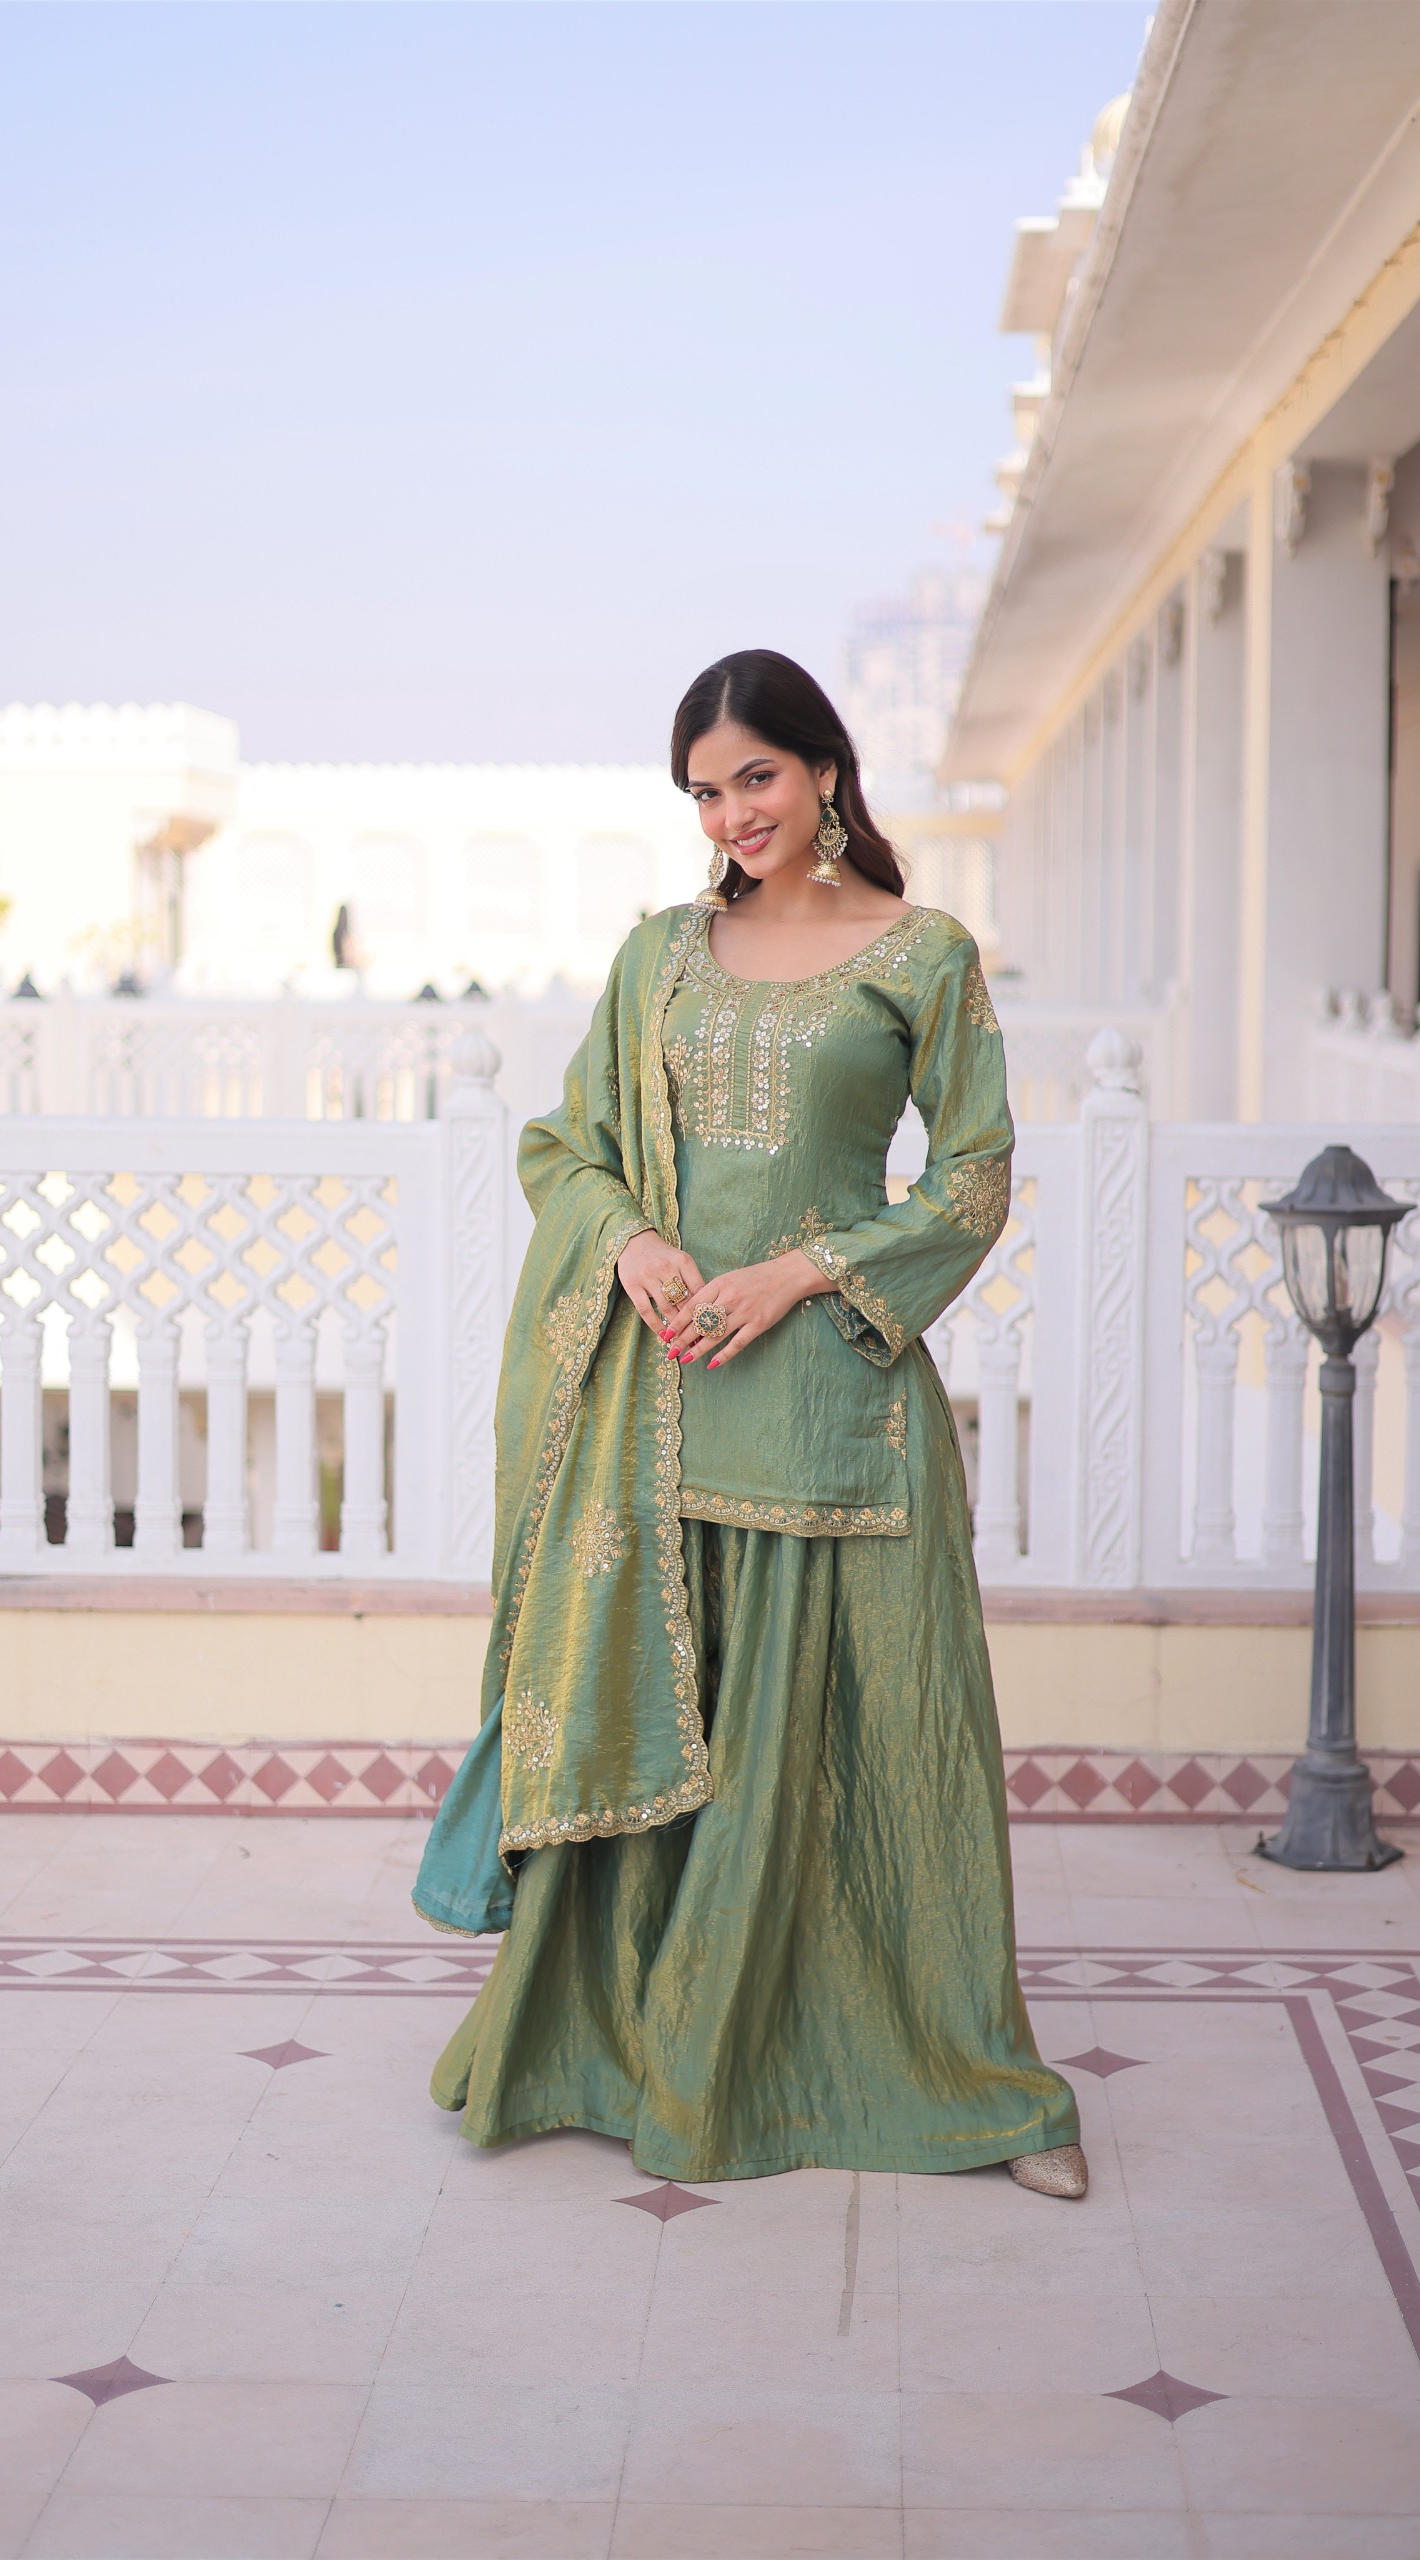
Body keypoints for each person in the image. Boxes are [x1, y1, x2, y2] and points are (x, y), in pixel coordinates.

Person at [413, 649, 1085, 2198]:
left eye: (756, 778)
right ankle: (628, 2047)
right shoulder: (659, 955)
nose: (732, 817)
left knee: (893, 1754)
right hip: (660, 1410)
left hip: (841, 1400)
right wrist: (633, 1241)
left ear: (826, 770)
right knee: (670, 1733)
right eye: (706, 794)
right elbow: (566, 1148)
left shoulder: (923, 955)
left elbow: (974, 1178)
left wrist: (800, 1272)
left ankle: (971, 2085)